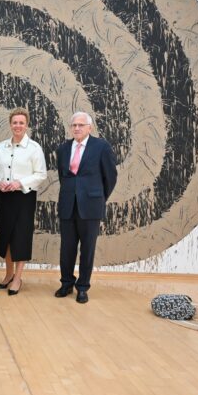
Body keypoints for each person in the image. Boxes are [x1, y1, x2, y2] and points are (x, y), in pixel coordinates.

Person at [55, 111, 117, 304]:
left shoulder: (101, 147)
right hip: (67, 205)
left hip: (90, 206)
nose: (77, 128)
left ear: (89, 127)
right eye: (74, 125)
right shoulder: (63, 148)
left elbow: (111, 177)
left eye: (81, 125)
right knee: (67, 248)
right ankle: (66, 283)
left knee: (87, 249)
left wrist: (98, 197)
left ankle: (82, 287)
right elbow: (63, 176)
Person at [0, 107, 47, 296]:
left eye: (21, 122)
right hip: (4, 196)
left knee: (20, 237)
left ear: (26, 124)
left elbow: (41, 174)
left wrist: (19, 183)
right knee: (5, 237)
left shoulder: (34, 148)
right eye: (15, 122)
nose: (18, 126)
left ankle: (17, 278)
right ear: (10, 124)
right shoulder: (1, 147)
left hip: (24, 198)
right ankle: (8, 275)